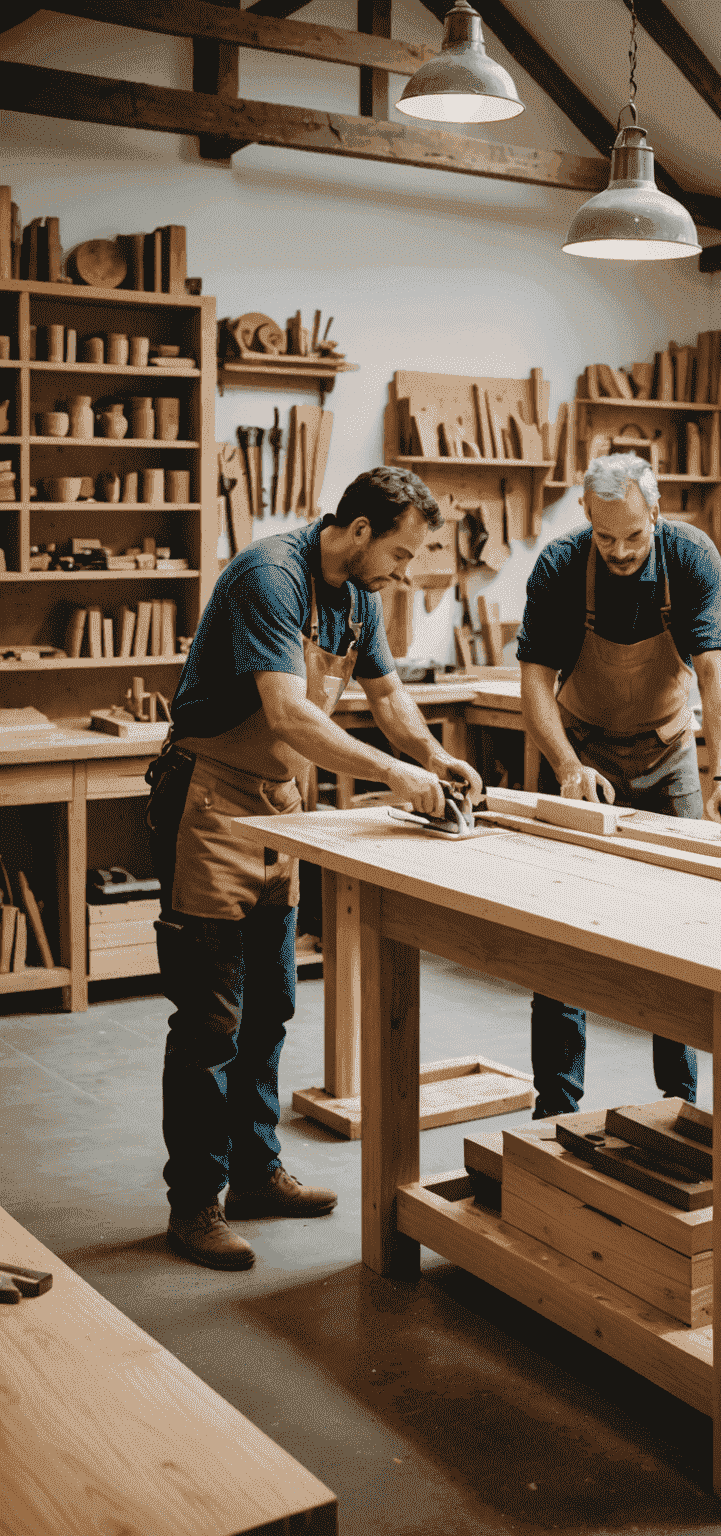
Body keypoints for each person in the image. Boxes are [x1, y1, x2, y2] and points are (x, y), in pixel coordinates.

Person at [147, 467, 483, 1271]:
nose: (404, 575)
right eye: (399, 554)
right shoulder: (274, 576)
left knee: (271, 1004)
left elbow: (390, 697)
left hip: (280, 800)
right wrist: (397, 778)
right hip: (211, 800)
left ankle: (257, 1174)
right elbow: (288, 710)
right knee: (210, 1020)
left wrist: (434, 755)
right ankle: (195, 1203)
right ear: (359, 530)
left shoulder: (361, 598)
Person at [516, 452, 721, 1118]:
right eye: (605, 536)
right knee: (559, 935)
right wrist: (564, 765)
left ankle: (679, 1104)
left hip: (668, 750)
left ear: (657, 510)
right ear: (587, 516)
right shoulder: (561, 566)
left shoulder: (692, 557)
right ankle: (555, 1109)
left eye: (633, 537)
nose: (618, 552)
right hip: (579, 752)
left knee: (678, 933)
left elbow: (714, 673)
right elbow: (534, 680)